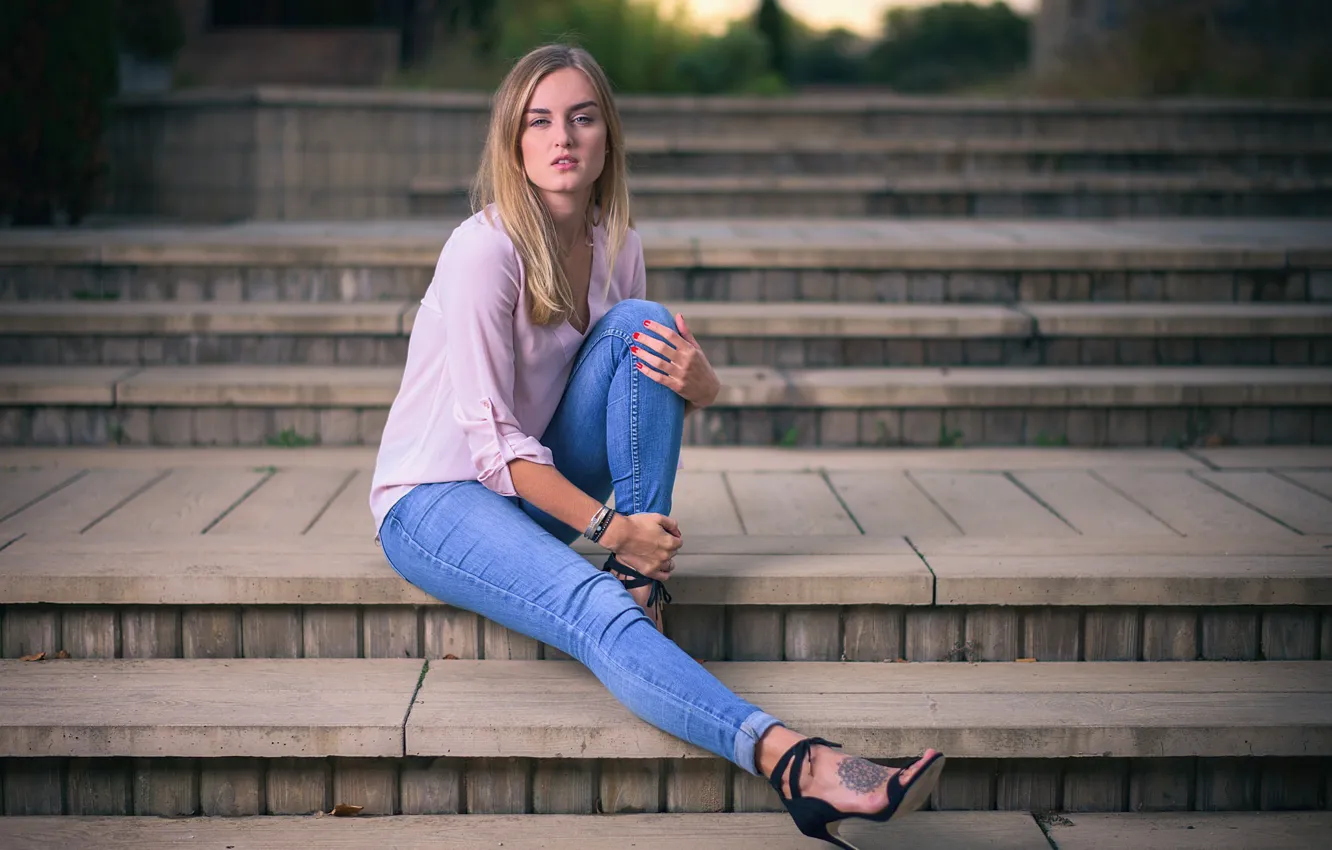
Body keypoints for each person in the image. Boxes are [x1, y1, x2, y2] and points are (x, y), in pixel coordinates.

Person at [369, 43, 944, 849]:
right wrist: (606, 528)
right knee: (589, 605)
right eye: (539, 121)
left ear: (607, 137)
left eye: (581, 116)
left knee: (646, 326)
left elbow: (638, 386)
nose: (562, 136)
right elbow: (493, 441)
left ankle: (643, 583)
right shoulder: (483, 250)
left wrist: (702, 387)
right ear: (514, 143)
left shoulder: (617, 245)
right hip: (434, 500)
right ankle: (797, 766)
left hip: (530, 485)